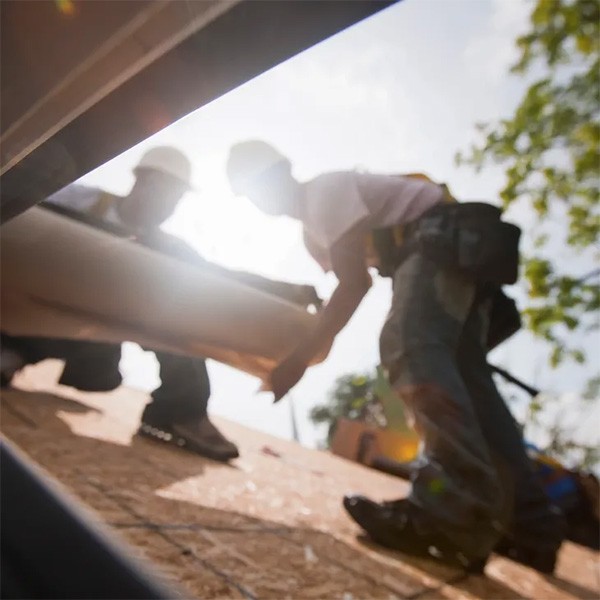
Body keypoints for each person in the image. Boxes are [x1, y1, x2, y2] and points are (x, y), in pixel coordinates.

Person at [225, 140, 565, 572]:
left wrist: (298, 358)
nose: (262, 195)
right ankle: (532, 528)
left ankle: (452, 512)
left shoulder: (322, 195)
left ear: (286, 169)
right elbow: (352, 283)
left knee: (412, 344)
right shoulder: (313, 231)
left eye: (263, 181)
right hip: (461, 252)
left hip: (439, 240)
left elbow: (353, 285)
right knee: (471, 383)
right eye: (252, 189)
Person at [1, 146, 320, 462]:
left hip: (87, 340)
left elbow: (216, 278)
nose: (169, 205)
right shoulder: (81, 201)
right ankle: (11, 351)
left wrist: (286, 290)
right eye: (164, 191)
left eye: (176, 198)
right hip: (22, 314)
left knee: (178, 299)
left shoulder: (165, 249)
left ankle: (179, 410)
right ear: (141, 179)